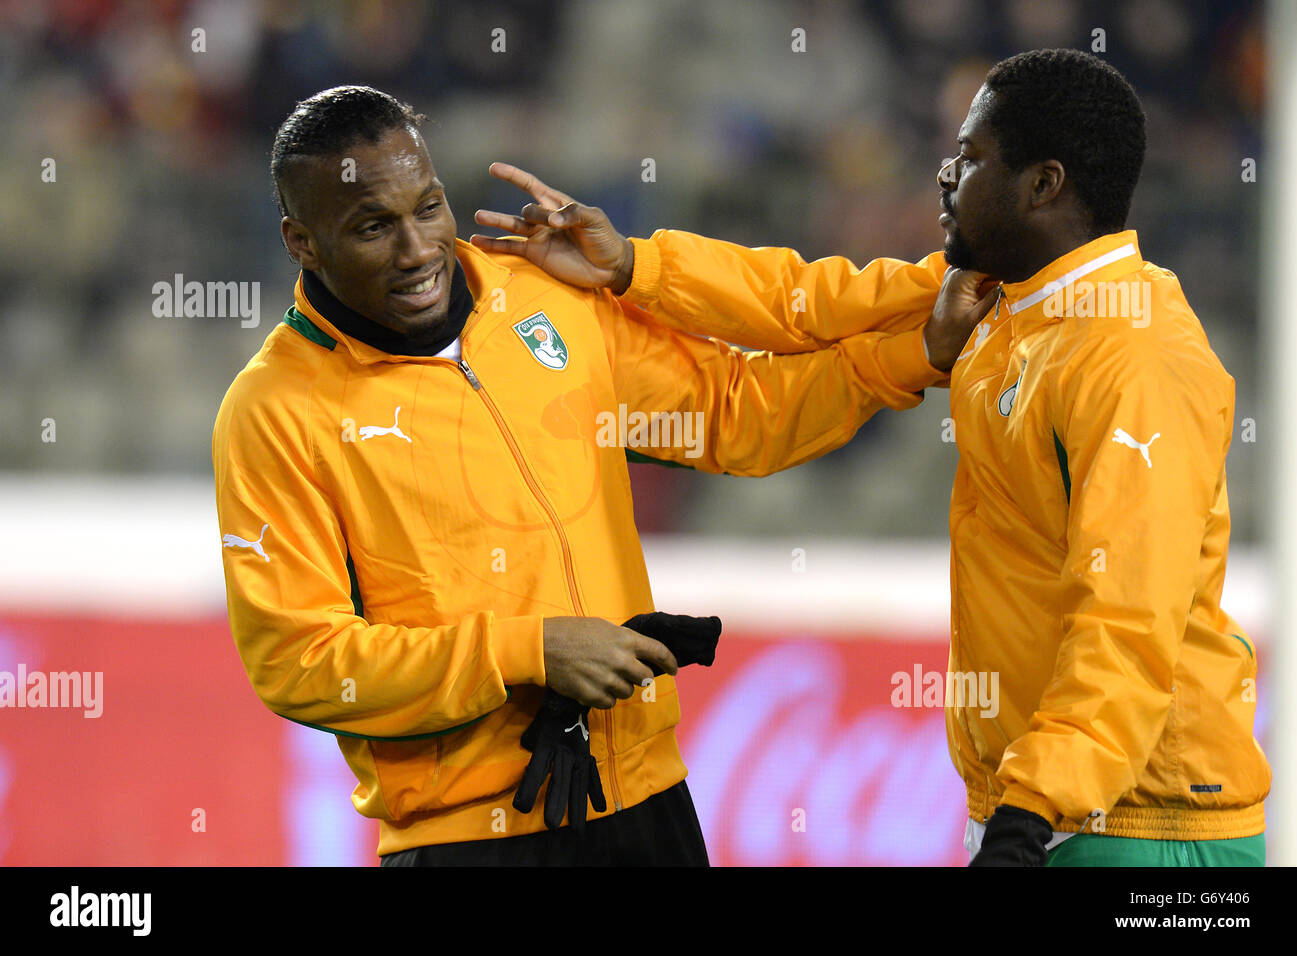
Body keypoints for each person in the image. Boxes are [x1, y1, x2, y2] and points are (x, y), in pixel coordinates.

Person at [473, 49, 1270, 866]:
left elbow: (1127, 618)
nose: (944, 175)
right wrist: (638, 267)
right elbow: (809, 300)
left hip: (1144, 823)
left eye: (969, 157)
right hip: (1044, 803)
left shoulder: (1137, 359)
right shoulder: (1007, 296)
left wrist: (1036, 806)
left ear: (1043, 185)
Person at [211, 86, 988, 866]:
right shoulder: (274, 411)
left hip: (646, 801)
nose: (418, 249)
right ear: (301, 242)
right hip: (469, 839)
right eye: (374, 227)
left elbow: (734, 413)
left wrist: (917, 352)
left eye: (429, 208)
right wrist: (527, 652)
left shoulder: (540, 296)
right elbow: (299, 663)